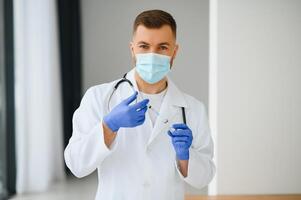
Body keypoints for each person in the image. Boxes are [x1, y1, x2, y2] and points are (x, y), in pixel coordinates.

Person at [64, 9, 215, 200]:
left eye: (162, 47)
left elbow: (205, 177)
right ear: (132, 48)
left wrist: (186, 157)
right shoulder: (99, 97)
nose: (152, 55)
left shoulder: (193, 109)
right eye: (144, 46)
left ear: (174, 51)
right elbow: (76, 164)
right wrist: (108, 127)